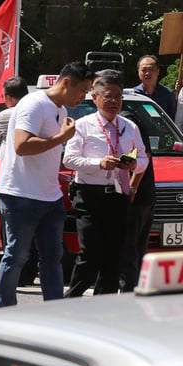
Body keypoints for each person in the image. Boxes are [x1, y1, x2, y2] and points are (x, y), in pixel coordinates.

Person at [0, 61, 95, 307]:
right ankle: (6, 308)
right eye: (83, 90)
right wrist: (60, 137)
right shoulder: (33, 104)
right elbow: (21, 146)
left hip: (50, 196)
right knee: (17, 255)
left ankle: (53, 310)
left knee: (53, 257)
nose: (84, 96)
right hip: (20, 194)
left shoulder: (60, 110)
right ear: (66, 83)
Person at [64, 72, 147, 297]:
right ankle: (71, 299)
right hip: (89, 195)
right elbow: (69, 159)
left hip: (118, 196)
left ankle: (104, 305)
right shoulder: (83, 126)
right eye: (108, 96)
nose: (114, 102)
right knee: (90, 253)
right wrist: (98, 163)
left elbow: (144, 158)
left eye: (118, 97)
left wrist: (133, 166)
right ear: (95, 98)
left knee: (113, 255)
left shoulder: (130, 126)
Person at [0, 76, 39, 288]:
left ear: (8, 97)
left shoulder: (7, 114)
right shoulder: (38, 111)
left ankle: (12, 278)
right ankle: (27, 274)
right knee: (32, 233)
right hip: (34, 180)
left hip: (12, 180)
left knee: (11, 235)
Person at [118, 109, 154, 293]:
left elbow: (142, 156)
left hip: (137, 196)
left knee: (129, 251)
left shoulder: (127, 120)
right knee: (137, 250)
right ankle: (136, 292)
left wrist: (132, 188)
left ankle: (128, 295)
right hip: (144, 196)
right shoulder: (131, 116)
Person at [134, 55, 176, 119]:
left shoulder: (168, 94)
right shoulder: (133, 94)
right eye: (144, 70)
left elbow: (173, 119)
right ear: (138, 72)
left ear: (158, 71)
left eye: (151, 69)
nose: (147, 73)